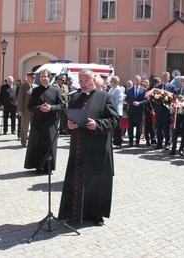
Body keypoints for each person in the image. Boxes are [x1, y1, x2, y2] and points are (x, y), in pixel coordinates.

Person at [58, 68, 119, 226]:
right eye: (81, 81)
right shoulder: (76, 97)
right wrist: (68, 125)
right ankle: (73, 213)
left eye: (86, 81)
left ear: (94, 81)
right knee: (77, 179)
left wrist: (97, 124)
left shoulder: (106, 97)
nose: (83, 84)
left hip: (97, 147)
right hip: (78, 146)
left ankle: (95, 215)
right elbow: (66, 118)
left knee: (95, 181)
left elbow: (114, 121)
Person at [24, 69, 65, 174]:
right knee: (38, 143)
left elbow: (61, 105)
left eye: (45, 76)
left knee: (49, 144)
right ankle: (38, 166)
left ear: (49, 77)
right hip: (38, 122)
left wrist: (51, 107)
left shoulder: (55, 90)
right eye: (41, 77)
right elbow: (30, 106)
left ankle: (49, 166)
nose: (43, 78)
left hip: (51, 122)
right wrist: (39, 108)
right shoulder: (36, 90)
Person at [152, 72, 174, 149]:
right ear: (162, 77)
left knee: (167, 127)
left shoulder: (172, 87)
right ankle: (159, 143)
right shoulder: (157, 87)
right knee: (159, 127)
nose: (165, 78)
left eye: (166, 77)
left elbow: (173, 98)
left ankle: (168, 143)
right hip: (159, 110)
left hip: (167, 111)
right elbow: (153, 98)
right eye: (164, 77)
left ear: (169, 78)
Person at [125, 75, 146, 147]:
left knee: (139, 126)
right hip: (131, 110)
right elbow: (126, 99)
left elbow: (146, 100)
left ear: (140, 81)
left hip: (139, 110)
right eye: (136, 80)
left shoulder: (143, 90)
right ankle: (130, 141)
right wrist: (132, 102)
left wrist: (140, 103)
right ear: (133, 80)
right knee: (130, 126)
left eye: (138, 80)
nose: (137, 81)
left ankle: (137, 141)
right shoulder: (130, 90)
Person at [17, 72, 37, 147]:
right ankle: (23, 141)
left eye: (34, 77)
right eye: (32, 77)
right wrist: (19, 110)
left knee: (34, 127)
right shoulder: (23, 87)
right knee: (24, 127)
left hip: (34, 111)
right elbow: (20, 99)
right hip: (26, 111)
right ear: (28, 78)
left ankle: (33, 141)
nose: (33, 79)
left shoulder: (36, 86)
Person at [108, 76, 124, 149]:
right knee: (112, 127)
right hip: (110, 110)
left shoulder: (118, 90)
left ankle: (118, 143)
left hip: (116, 111)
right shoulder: (111, 89)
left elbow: (119, 101)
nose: (110, 83)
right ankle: (113, 141)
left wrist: (112, 105)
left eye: (111, 81)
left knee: (117, 127)